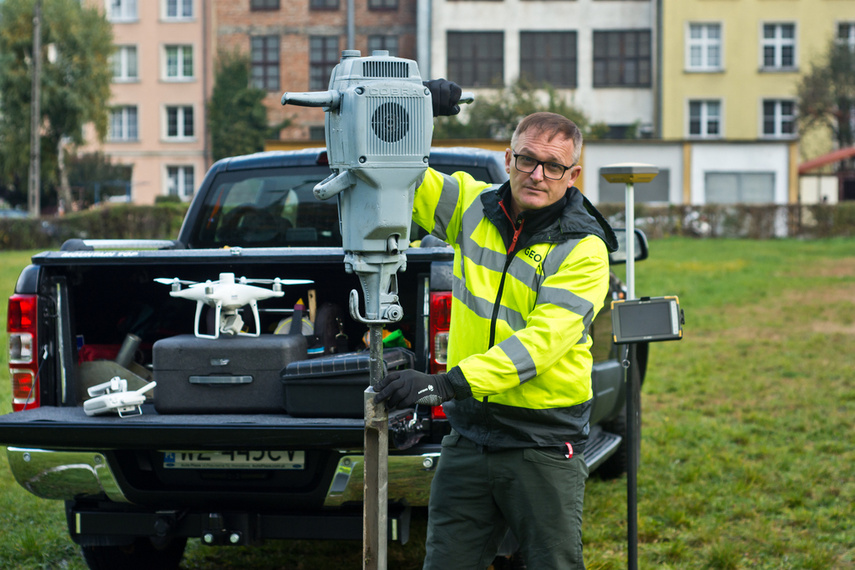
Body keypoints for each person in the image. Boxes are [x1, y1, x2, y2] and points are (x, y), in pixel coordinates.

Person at [375, 80, 618, 569]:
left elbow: (540, 344)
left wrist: (444, 384)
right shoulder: (472, 206)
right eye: (527, 160)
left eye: (553, 166)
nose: (537, 175)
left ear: (573, 175)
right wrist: (409, 108)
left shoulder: (584, 249)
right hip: (470, 437)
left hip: (541, 443)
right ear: (508, 159)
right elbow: (391, 169)